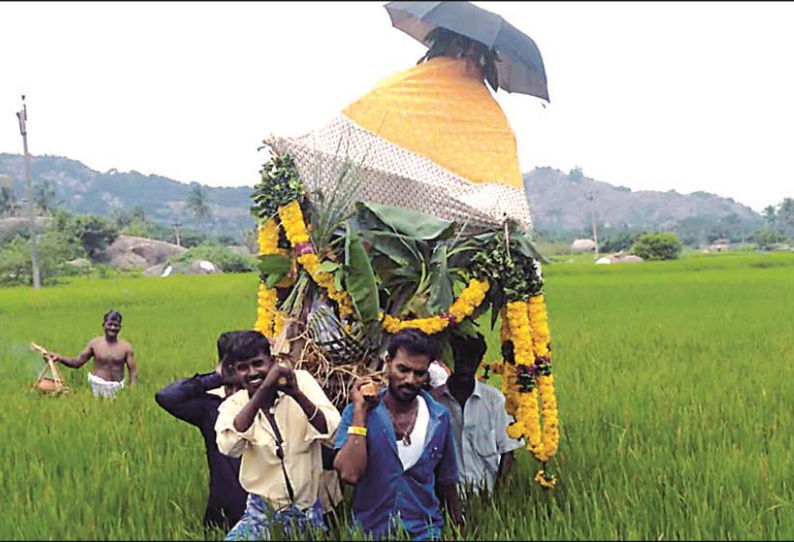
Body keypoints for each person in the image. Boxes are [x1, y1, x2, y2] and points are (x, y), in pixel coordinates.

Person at [334, 328, 465, 541]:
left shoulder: (438, 418)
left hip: (424, 533)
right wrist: (359, 412)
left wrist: (458, 528)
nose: (410, 380)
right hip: (370, 534)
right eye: (402, 369)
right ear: (388, 362)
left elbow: (446, 481)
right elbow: (350, 474)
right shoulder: (360, 414)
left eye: (419, 373)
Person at [215, 330, 341, 541]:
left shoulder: (301, 381)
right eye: (243, 368)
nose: (252, 372)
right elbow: (230, 446)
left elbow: (332, 432)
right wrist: (263, 389)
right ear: (236, 372)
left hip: (307, 511)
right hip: (263, 513)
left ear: (273, 362)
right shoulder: (233, 405)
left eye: (258, 363)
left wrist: (297, 395)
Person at [154, 331, 248, 532]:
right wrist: (215, 378)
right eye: (237, 365)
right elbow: (166, 397)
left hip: (267, 508)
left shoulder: (269, 401)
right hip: (225, 510)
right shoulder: (212, 406)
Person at [431, 331, 524, 497]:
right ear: (449, 360)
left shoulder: (494, 400)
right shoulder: (433, 402)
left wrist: (498, 499)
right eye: (459, 360)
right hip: (445, 498)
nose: (465, 368)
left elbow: (507, 452)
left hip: (485, 494)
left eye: (471, 361)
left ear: (479, 361)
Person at [48, 309, 137, 398]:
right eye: (110, 324)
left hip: (118, 389)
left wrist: (133, 389)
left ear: (120, 327)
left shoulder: (126, 348)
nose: (112, 328)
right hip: (97, 388)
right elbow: (77, 363)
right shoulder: (95, 344)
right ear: (103, 326)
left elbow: (132, 371)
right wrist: (59, 358)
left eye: (116, 325)